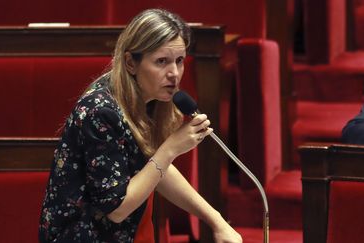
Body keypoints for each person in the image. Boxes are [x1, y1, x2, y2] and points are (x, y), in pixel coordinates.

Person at [38, 8, 242, 243]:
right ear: (130, 63)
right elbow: (117, 209)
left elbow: (155, 168)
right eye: (161, 62)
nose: (174, 73)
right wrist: (171, 148)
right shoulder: (100, 111)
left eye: (179, 61)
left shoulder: (149, 99)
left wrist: (216, 221)